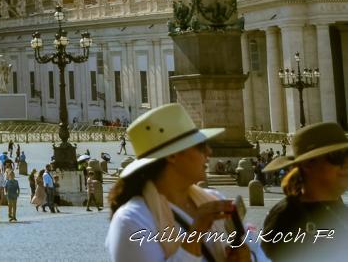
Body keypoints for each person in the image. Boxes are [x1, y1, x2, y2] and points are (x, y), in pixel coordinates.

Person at [105, 103, 253, 261]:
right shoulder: (131, 219)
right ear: (172, 156)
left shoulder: (213, 197)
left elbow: (257, 251)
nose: (209, 151)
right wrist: (194, 236)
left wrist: (247, 257)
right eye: (201, 146)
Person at [260, 121, 348, 261]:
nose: (347, 163)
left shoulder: (339, 207)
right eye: (338, 156)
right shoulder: (285, 218)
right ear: (308, 164)